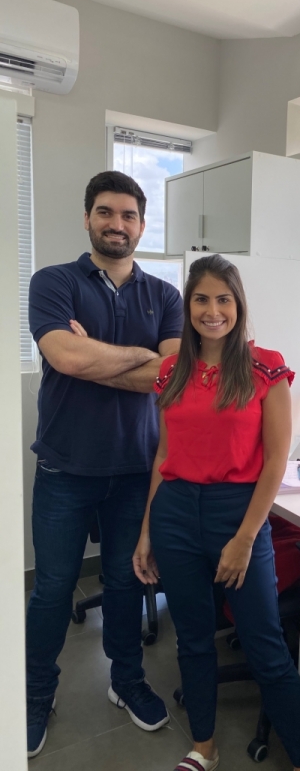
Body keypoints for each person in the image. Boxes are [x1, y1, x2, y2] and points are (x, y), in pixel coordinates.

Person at [133, 254, 300, 771]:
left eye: (223, 300)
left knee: (265, 645)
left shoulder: (265, 367)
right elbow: (164, 455)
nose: (212, 311)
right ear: (188, 306)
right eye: (201, 300)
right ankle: (205, 748)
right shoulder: (171, 371)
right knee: (192, 640)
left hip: (237, 514)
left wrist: (245, 538)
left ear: (238, 305)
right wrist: (147, 531)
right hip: (174, 513)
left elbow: (276, 460)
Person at [26, 171, 183, 758]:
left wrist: (95, 356)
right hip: (64, 468)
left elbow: (174, 376)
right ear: (88, 218)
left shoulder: (166, 296)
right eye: (105, 212)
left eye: (128, 215)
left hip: (136, 469)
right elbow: (65, 357)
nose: (117, 224)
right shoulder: (54, 281)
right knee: (52, 589)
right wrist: (134, 358)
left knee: (125, 580)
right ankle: (35, 693)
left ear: (141, 225)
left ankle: (127, 680)